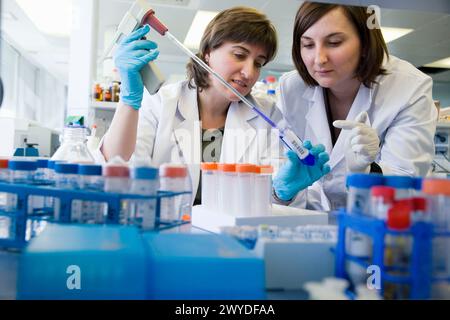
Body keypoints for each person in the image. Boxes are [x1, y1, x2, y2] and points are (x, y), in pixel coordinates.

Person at [96, 6, 330, 206]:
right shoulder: (161, 102)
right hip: (162, 238)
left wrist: (282, 192)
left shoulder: (267, 115)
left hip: (231, 246)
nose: (249, 73)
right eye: (239, 55)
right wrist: (128, 101)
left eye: (258, 63)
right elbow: (117, 169)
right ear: (207, 53)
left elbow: (276, 204)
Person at [276, 2, 437, 211]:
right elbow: (283, 176)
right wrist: (282, 193)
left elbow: (405, 183)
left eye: (334, 42)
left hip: (376, 227)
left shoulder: (409, 87)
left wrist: (369, 173)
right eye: (308, 45)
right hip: (308, 224)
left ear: (366, 42)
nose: (319, 59)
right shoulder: (292, 87)